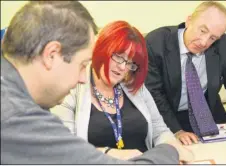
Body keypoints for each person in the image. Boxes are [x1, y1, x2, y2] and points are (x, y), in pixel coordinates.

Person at [1, 1, 180, 164]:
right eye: (83, 65)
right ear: (52, 54)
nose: (81, 78)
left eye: (130, 63)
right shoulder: (16, 113)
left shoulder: (15, 95)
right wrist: (169, 151)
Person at [51, 20, 194, 162]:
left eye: (130, 63)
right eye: (118, 57)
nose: (122, 67)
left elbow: (159, 131)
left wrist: (174, 149)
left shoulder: (135, 87)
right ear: (102, 48)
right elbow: (65, 148)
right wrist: (110, 153)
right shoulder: (73, 87)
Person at [144, 1, 226, 145]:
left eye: (213, 38)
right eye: (202, 31)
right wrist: (176, 130)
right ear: (189, 20)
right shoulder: (156, 43)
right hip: (172, 118)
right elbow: (154, 93)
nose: (204, 42)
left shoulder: (222, 44)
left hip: (210, 115)